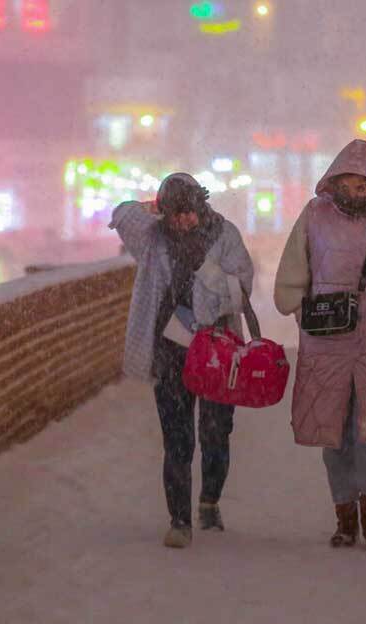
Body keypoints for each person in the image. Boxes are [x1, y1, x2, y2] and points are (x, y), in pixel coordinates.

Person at [273, 139, 366, 551]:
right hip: (326, 340)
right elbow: (294, 269)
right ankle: (344, 515)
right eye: (350, 182)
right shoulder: (314, 217)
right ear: (337, 180)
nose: (357, 190)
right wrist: (297, 306)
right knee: (334, 430)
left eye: (364, 184)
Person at [110, 173, 255, 549]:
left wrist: (206, 275)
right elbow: (121, 214)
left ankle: (209, 500)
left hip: (217, 350)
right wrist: (154, 206)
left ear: (201, 206)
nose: (183, 221)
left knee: (216, 432)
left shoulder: (225, 235)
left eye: (188, 212)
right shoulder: (153, 239)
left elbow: (242, 288)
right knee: (177, 439)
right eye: (175, 214)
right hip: (170, 352)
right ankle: (179, 519)